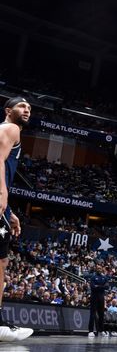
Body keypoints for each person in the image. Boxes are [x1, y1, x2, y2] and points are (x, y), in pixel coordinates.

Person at [0, 97, 33, 342]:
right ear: (8, 111)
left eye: (30, 108)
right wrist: (2, 194)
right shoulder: (11, 128)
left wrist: (9, 212)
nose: (27, 110)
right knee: (0, 263)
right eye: (22, 106)